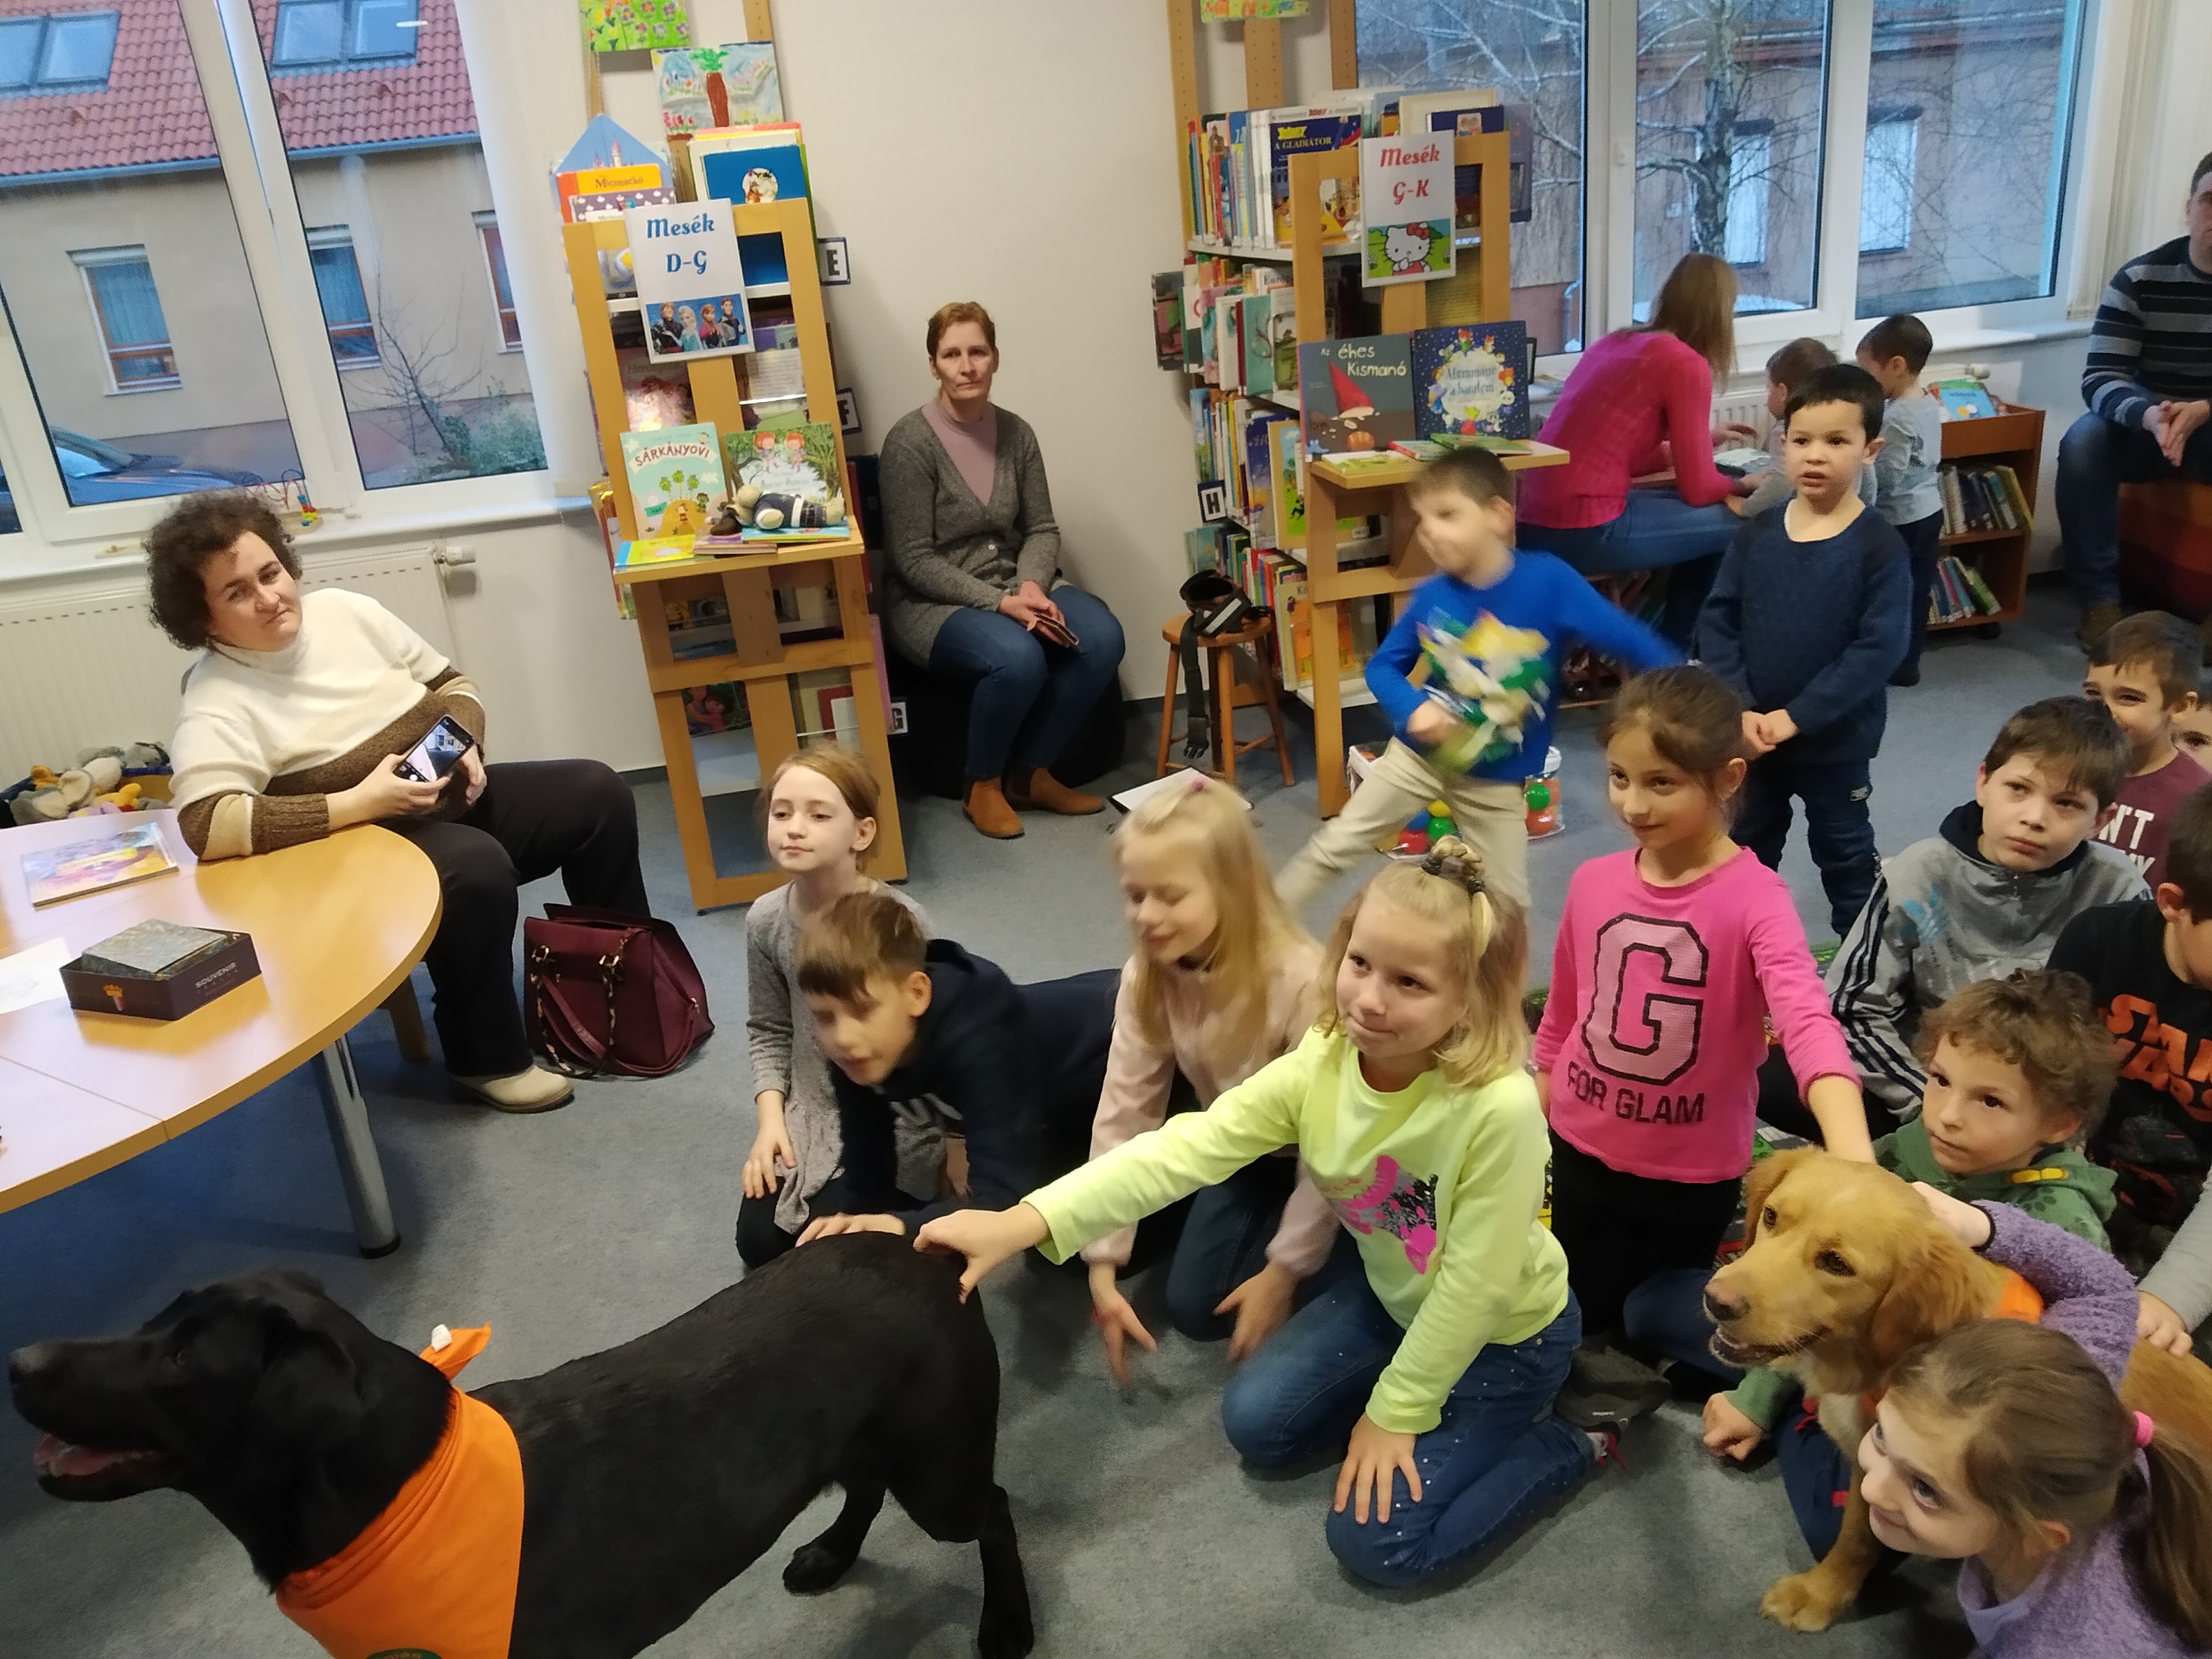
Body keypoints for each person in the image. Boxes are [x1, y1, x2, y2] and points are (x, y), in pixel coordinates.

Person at [918, 842, 1603, 1590]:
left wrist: (1397, 1411)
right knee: (1260, 1426)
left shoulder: (1499, 1110)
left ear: (1468, 998)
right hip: (1396, 1297)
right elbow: (1189, 1148)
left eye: (1410, 982)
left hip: (1506, 1338)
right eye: (1360, 963)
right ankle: (1429, 1404)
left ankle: (1581, 1437)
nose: (1370, 1000)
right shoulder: (1327, 1056)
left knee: (1377, 1545)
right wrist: (1025, 1220)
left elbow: (1475, 1288)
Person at [154, 494, 646, 1113]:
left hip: (447, 800)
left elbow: (453, 685)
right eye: (237, 593)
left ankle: (620, 996)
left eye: (271, 573)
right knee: (475, 867)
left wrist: (462, 740)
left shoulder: (348, 612)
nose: (269, 598)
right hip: (360, 848)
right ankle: (485, 1058)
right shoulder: (216, 697)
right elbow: (206, 823)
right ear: (203, 621)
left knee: (597, 793)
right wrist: (359, 802)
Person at [1532, 667, 1870, 1428]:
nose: (1633, 804)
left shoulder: (1758, 901)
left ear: (1728, 779)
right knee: (1574, 1320)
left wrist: (1854, 1156)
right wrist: (1535, 1108)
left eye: (1662, 783)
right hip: (1580, 1147)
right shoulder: (1591, 882)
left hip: (1689, 1174)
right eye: (1619, 777)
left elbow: (1807, 1022)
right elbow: (1562, 1016)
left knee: (1669, 1324)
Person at [1702, 972, 2122, 1536]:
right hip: (1830, 1353)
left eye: (1990, 1101)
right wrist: (1755, 1397)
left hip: (1935, 1412)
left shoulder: (2062, 1222)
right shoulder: (1900, 1152)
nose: (1947, 1115)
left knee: (1840, 1525)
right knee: (1651, 1307)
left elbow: (2041, 1402)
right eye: (1940, 1080)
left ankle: (1803, 1420)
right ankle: (1784, 1399)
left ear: (2059, 1124)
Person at [1275, 445, 1677, 917]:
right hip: (1417, 760)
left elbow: (1630, 640)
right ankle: (1251, 934)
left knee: (1508, 905)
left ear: (1498, 516)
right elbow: (1382, 668)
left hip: (1494, 782)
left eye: (1446, 514)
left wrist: (1700, 693)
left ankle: (1499, 972)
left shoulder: (1549, 582)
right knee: (1334, 846)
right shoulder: (1432, 596)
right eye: (1422, 519)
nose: (1428, 531)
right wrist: (1413, 708)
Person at [1858, 1196, 2212, 1658]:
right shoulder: (2059, 1396)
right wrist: (1980, 1225)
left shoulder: (2066, 1645)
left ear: (2040, 1536)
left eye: (1925, 1489)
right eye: (1882, 1436)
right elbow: (2101, 1290)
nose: (1871, 1489)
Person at [1083, 775, 1346, 1384]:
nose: (1146, 916)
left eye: (1170, 896)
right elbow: (1125, 1108)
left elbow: (1333, 1150)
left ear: (1232, 889)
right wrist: (1102, 1262)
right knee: (1194, 1307)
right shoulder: (1148, 975)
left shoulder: (1302, 984)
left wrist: (1284, 1272)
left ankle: (1354, 1261)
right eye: (1134, 895)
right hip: (1240, 1146)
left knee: (1232, 1293)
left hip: (1326, 1157)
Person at [1821, 696, 2146, 1129]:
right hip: (1930, 1086)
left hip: (2050, 1107)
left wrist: (2048, 1125)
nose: (2034, 818)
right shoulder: (1919, 872)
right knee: (1785, 1076)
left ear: (2100, 821)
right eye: (2019, 789)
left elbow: (2137, 1027)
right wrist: (1928, 1105)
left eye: (2067, 803)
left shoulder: (2118, 890)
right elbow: (1850, 1007)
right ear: (1983, 782)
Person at [878, 300, 1126, 839]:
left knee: (1103, 637)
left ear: (995, 358)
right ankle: (982, 785)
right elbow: (912, 558)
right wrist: (1001, 604)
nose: (966, 366)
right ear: (933, 364)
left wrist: (1031, 585)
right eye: (952, 355)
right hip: (933, 601)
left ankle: (1031, 773)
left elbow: (1042, 529)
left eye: (978, 352)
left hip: (1016, 579)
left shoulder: (1017, 434)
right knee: (1017, 659)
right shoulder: (909, 443)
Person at [1698, 363, 1912, 939]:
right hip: (1752, 737)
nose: (1815, 456)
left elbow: (1878, 649)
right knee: (1744, 850)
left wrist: (1796, 718)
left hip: (1835, 743)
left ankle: (1865, 966)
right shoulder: (1756, 534)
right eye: (1801, 441)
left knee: (1846, 854)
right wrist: (1741, 707)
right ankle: (1735, 952)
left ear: (1870, 450)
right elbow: (1717, 621)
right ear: (1783, 444)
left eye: (1836, 441)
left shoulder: (1879, 547)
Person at [790, 890, 1115, 1241]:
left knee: (1060, 1238)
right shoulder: (857, 1049)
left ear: (917, 994)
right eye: (824, 1017)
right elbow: (867, 1170)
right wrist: (852, 1225)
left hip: (1113, 1064)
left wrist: (900, 1226)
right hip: (1035, 1098)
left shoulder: (981, 1037)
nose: (842, 1037)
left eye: (863, 1010)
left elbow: (998, 1199)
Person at [737, 747, 930, 1271]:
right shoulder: (765, 921)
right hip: (813, 1111)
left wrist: (958, 1142)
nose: (795, 829)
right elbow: (769, 1028)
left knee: (833, 1250)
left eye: (819, 815)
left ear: (861, 834)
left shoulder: (901, 923)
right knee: (759, 1242)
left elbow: (941, 1035)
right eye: (782, 813)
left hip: (895, 1114)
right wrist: (771, 1123)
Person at [1515, 253, 1758, 647]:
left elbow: (1617, 455)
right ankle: (1677, 656)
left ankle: (1676, 652)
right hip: (1585, 527)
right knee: (1743, 522)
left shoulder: (1614, 343)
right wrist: (1746, 484)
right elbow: (1699, 490)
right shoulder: (1685, 363)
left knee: (1704, 520)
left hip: (1532, 520)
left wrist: (1700, 442)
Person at [2048, 782, 2212, 1360]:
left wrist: (2168, 1300)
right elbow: (2043, 1089)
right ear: (2173, 902)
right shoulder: (2099, 942)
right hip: (2084, 1194)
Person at [2062, 152, 2212, 653]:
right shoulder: (2141, 278)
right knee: (2083, 442)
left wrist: (2204, 409)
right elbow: (2101, 378)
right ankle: (2100, 604)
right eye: (2210, 201)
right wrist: (2150, 416)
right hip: (2149, 422)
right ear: (2188, 207)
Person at [2084, 611, 2211, 889]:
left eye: (2129, 698)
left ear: (2180, 707)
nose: (2105, 710)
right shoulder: (2069, 764)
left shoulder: (2197, 797)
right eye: (2093, 694)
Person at [1855, 314, 1947, 687]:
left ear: (1896, 365)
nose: (1867, 382)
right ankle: (1909, 663)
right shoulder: (1926, 401)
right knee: (1917, 590)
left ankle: (1893, 662)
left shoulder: (1896, 417)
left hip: (1901, 519)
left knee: (1892, 593)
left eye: (1869, 372)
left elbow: (1887, 478)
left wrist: (1861, 464)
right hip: (1929, 510)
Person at [1739, 339, 1878, 518]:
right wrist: (1865, 514)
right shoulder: (1850, 429)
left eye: (1769, 388)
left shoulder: (1786, 430)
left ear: (1782, 392)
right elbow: (1868, 475)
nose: (1767, 397)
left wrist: (1746, 508)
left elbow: (1781, 481)